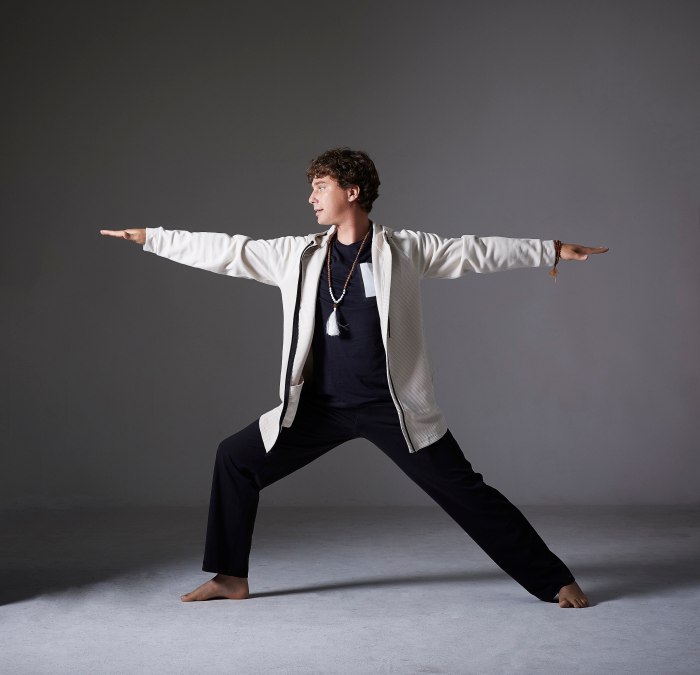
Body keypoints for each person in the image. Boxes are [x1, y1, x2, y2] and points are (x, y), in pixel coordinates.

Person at [101, 147, 608, 608]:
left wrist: (551, 249)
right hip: (318, 409)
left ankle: (553, 580)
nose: (311, 197)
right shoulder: (298, 255)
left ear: (352, 191)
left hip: (393, 409)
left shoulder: (403, 250)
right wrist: (152, 238)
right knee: (235, 459)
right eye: (313, 188)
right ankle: (231, 577)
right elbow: (230, 251)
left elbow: (473, 250)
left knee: (467, 493)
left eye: (320, 187)